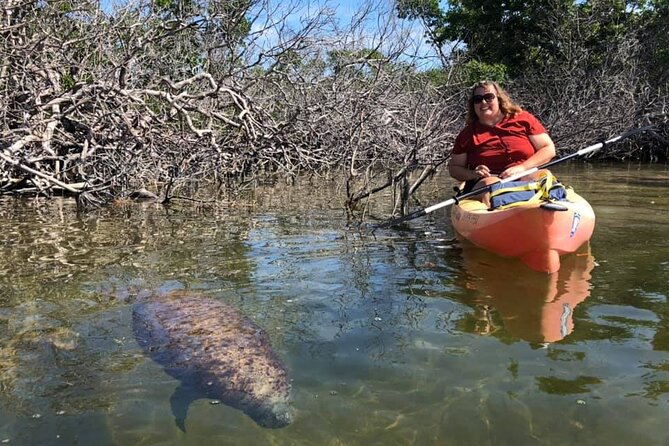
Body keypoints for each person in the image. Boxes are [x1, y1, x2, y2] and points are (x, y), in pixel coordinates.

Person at [448, 80, 556, 207]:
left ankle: (544, 202)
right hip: (488, 181)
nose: (483, 102)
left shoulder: (522, 118)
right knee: (491, 185)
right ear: (473, 105)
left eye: (488, 97)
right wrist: (473, 174)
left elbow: (548, 149)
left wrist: (522, 168)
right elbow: (454, 168)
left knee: (544, 176)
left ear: (498, 99)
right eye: (478, 99)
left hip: (524, 174)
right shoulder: (467, 134)